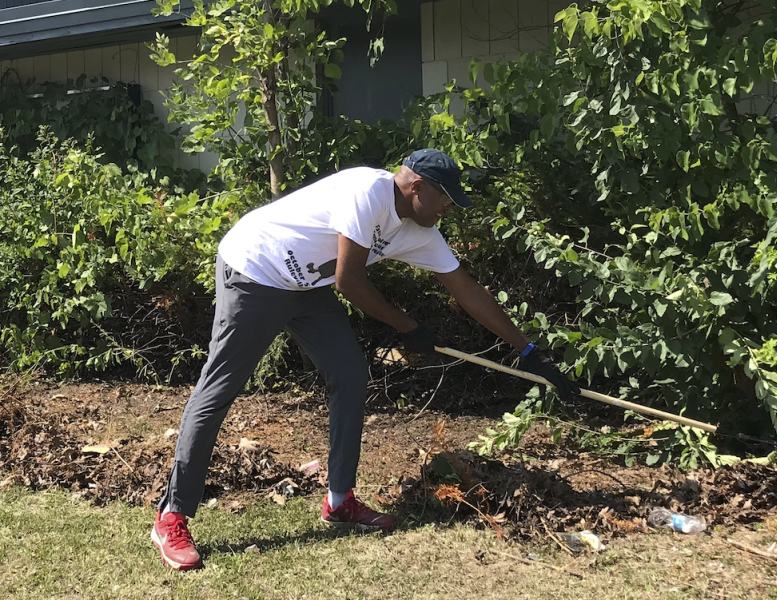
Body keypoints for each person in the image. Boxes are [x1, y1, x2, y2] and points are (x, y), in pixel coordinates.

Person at [151, 148, 580, 570]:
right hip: (255, 269)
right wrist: (408, 327)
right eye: (445, 196)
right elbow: (348, 280)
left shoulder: (420, 230)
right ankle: (172, 516)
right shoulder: (366, 191)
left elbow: (466, 289)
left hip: (305, 291)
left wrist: (528, 352)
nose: (449, 206)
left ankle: (339, 501)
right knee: (219, 390)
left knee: (351, 376)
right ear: (416, 186)